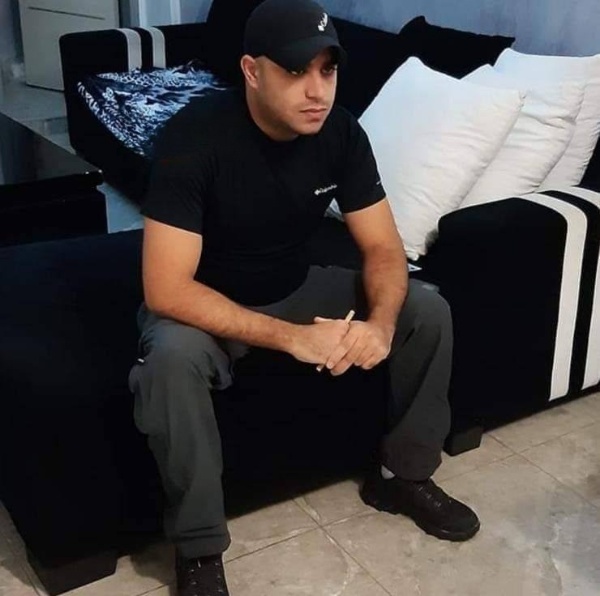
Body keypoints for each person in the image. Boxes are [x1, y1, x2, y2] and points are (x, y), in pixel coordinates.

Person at [129, 0, 480, 593]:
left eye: (328, 70)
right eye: (295, 71)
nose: (317, 90)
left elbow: (383, 249)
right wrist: (293, 338)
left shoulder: (339, 131)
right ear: (251, 70)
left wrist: (381, 325)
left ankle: (403, 476)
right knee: (168, 362)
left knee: (426, 309)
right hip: (206, 303)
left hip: (295, 284)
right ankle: (199, 547)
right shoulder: (192, 140)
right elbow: (165, 288)